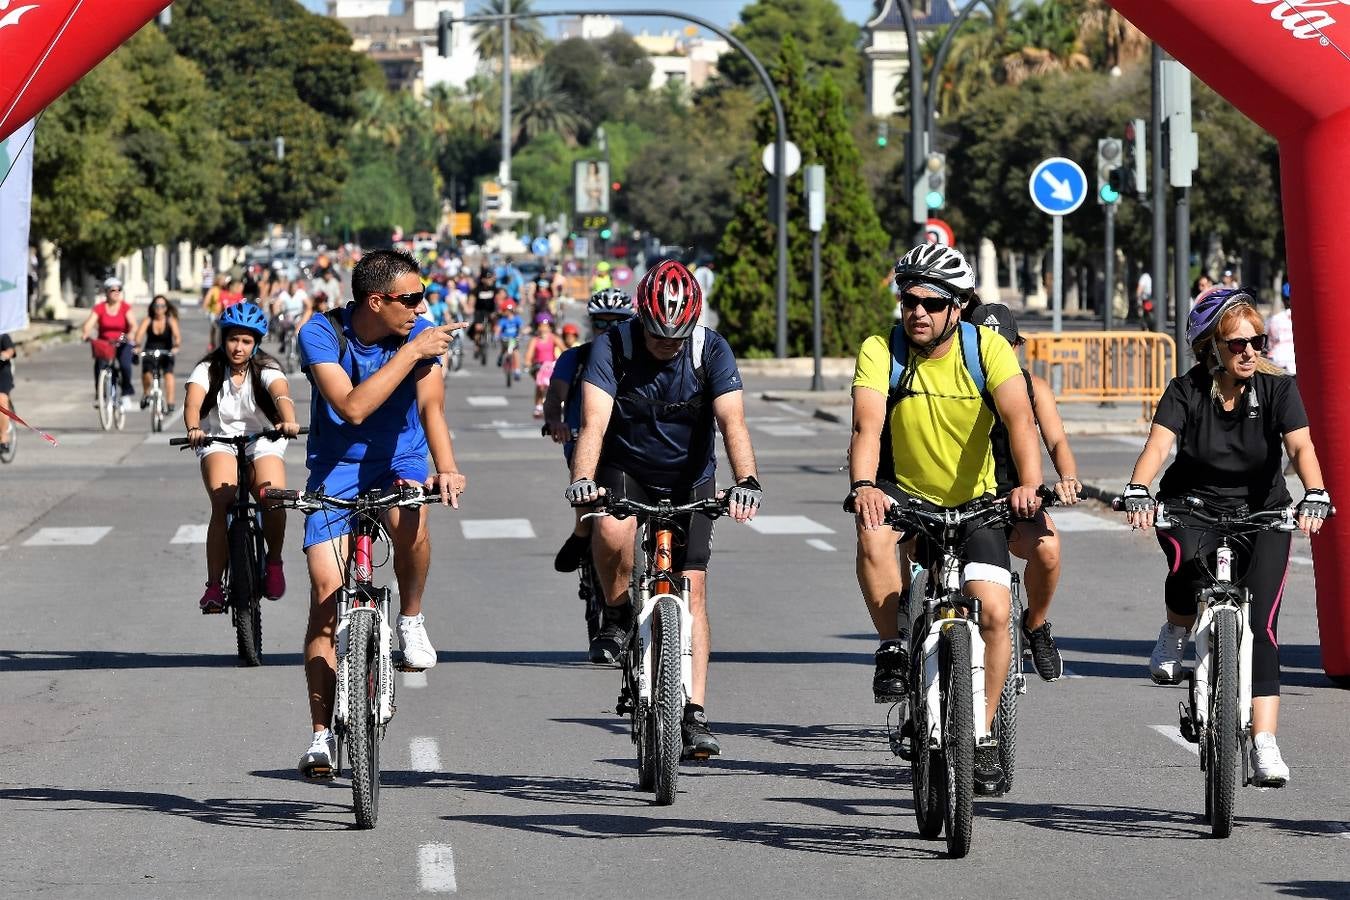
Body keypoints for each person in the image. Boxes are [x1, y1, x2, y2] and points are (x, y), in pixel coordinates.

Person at [848, 244, 1043, 795]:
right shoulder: (879, 350)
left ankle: (980, 733)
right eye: (909, 300)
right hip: (904, 494)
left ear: (957, 307)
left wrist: (1027, 485)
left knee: (997, 609)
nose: (918, 313)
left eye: (932, 303)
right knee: (871, 535)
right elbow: (866, 427)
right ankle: (891, 644)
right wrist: (864, 486)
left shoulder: (989, 349)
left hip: (977, 500)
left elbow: (1020, 420)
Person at [1120, 287, 1329, 787]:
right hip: (1193, 506)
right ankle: (1175, 630)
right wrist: (1137, 488)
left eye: (1257, 340)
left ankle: (1264, 743)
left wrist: (1316, 492)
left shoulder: (1279, 389)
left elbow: (1300, 447)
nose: (1250, 351)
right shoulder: (1185, 390)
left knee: (1263, 625)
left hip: (1263, 512)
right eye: (1238, 343)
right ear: (1212, 346)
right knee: (1184, 564)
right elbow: (1159, 446)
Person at [565, 261, 762, 759]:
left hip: (690, 474)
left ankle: (694, 711)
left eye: (675, 338)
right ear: (642, 322)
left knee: (693, 589)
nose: (666, 346)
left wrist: (747, 481)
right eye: (657, 336)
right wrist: (583, 481)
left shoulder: (710, 349)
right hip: (625, 465)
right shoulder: (615, 347)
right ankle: (615, 611)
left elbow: (733, 423)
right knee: (610, 533)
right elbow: (592, 424)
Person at [295, 248, 466, 778]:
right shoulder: (321, 333)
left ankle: (411, 618)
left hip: (400, 460)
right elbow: (351, 407)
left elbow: (430, 408)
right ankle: (321, 736)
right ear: (377, 300)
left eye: (423, 298)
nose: (421, 307)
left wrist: (447, 466)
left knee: (412, 517)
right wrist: (410, 352)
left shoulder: (420, 333)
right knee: (326, 597)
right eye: (411, 299)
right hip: (336, 468)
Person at [970, 303, 1082, 681]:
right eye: (986, 344)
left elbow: (1056, 440)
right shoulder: (956, 385)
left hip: (1016, 498)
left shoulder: (1034, 388)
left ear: (1017, 345)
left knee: (1048, 549)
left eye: (1004, 344)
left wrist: (1067, 478)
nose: (995, 353)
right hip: (961, 500)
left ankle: (1034, 625)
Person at [182, 303, 301, 612]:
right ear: (223, 338)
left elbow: (281, 395)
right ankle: (213, 586)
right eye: (233, 339)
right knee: (222, 501)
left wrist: (288, 420)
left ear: (256, 343)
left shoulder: (266, 368)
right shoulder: (207, 369)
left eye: (246, 341)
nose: (239, 347)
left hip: (264, 441)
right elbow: (193, 403)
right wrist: (194, 428)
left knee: (271, 497)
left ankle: (273, 562)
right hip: (217, 440)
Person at [545, 290, 637, 576]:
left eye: (617, 323)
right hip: (581, 436)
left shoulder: (637, 360)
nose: (608, 330)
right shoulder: (574, 357)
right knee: (587, 486)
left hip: (628, 441)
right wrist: (556, 422)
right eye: (601, 323)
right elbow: (554, 397)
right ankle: (581, 533)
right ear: (591, 324)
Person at [80, 277, 137, 410]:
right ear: (106, 292)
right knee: (99, 366)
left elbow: (133, 325)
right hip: (105, 342)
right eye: (113, 290)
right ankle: (100, 395)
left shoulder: (125, 307)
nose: (116, 292)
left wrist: (131, 334)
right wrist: (86, 333)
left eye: (119, 289)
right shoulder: (100, 308)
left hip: (122, 340)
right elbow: (88, 324)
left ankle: (126, 393)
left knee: (125, 365)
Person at [134, 295, 182, 410]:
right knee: (147, 375)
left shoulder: (170, 320)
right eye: (157, 305)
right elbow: (139, 336)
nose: (159, 308)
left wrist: (176, 347)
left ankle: (170, 403)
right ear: (153, 307)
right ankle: (146, 394)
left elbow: (177, 337)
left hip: (166, 352)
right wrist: (138, 346)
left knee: (169, 375)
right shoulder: (148, 320)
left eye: (162, 306)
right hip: (150, 351)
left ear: (166, 308)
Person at [1267, 283, 1296, 374]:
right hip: (1297, 362)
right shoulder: (1305, 318)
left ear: (1283, 299)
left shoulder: (1275, 319)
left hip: (1277, 361)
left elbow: (1268, 343)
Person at [494, 300, 524, 377]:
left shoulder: (517, 319)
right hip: (505, 338)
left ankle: (517, 370)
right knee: (504, 349)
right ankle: (500, 357)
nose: (508, 312)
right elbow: (499, 328)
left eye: (510, 311)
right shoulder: (503, 320)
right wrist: (496, 335)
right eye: (506, 311)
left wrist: (521, 334)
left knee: (516, 352)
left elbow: (521, 327)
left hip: (514, 339)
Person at [0, 330, 14, 454]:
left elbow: (10, 350)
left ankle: (4, 437)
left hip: (2, 373)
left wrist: (5, 354)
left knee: (2, 399)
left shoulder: (3, 334)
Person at [203, 274, 226, 349]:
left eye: (224, 280)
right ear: (218, 280)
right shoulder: (213, 289)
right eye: (222, 280)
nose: (223, 281)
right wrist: (206, 310)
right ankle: (214, 344)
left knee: (217, 329)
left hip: (222, 313)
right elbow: (206, 301)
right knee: (215, 328)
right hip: (213, 312)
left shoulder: (224, 289)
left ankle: (217, 343)